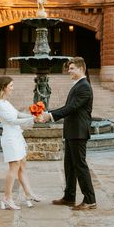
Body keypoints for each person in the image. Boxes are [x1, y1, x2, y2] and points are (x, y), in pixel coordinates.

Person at [38, 57, 96, 211]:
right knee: (69, 166)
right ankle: (69, 196)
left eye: (71, 68)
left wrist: (49, 116)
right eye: (68, 68)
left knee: (80, 166)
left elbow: (72, 108)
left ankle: (90, 200)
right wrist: (49, 113)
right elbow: (68, 106)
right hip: (72, 131)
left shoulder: (84, 86)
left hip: (78, 132)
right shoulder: (78, 85)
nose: (68, 71)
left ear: (81, 69)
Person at [0, 76, 41, 210]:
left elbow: (18, 114)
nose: (12, 88)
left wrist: (33, 116)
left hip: (17, 136)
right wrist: (33, 121)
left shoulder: (5, 102)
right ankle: (7, 198)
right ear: (3, 87)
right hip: (10, 138)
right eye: (11, 86)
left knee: (22, 166)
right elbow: (12, 121)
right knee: (14, 167)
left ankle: (29, 194)